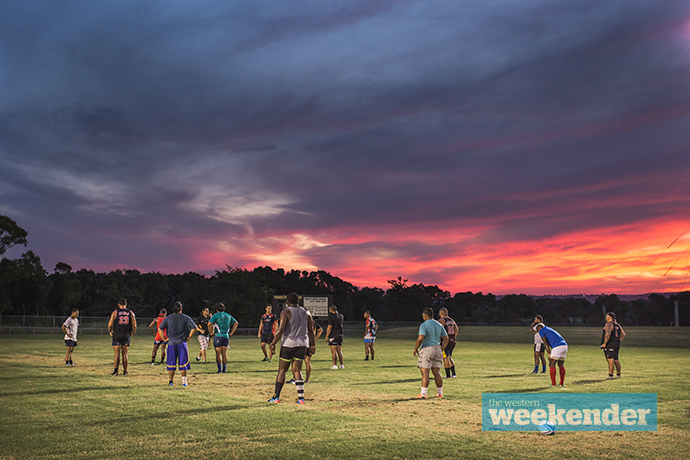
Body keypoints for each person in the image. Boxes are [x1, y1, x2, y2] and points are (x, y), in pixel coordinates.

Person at [268, 292, 316, 404]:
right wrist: (312, 344)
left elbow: (281, 329)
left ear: (288, 302)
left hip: (288, 344)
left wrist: (273, 343)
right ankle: (301, 398)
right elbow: (310, 330)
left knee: (282, 370)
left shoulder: (286, 312)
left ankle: (276, 397)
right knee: (297, 370)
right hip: (302, 344)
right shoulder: (306, 313)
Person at [158, 301, 197, 387]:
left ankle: (171, 382)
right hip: (182, 343)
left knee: (171, 363)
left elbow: (160, 329)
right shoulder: (186, 318)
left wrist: (164, 338)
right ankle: (184, 382)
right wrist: (189, 337)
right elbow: (194, 327)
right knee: (183, 363)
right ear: (181, 309)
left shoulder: (168, 318)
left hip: (171, 343)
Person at [413, 307, 449, 399]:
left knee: (425, 373)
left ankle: (423, 394)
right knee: (436, 372)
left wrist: (415, 348)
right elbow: (446, 338)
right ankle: (439, 393)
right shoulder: (438, 324)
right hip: (437, 348)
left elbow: (421, 338)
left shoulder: (424, 325)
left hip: (427, 349)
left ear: (424, 315)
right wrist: (441, 348)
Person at [289, 311, 323, 384]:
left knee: (296, 360)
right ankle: (307, 379)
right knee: (308, 362)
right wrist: (314, 339)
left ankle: (295, 378)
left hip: (303, 342)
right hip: (310, 343)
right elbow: (320, 330)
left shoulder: (303, 322)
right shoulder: (313, 322)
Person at [108, 298, 137, 376]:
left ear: (118, 304)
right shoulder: (131, 313)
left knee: (117, 354)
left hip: (117, 335)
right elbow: (134, 325)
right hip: (126, 335)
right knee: (125, 354)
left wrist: (110, 331)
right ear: (126, 304)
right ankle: (125, 371)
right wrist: (133, 332)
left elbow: (110, 324)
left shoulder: (115, 312)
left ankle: (116, 371)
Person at [208, 302, 238, 373]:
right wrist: (231, 333)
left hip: (218, 336)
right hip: (226, 336)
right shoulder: (228, 315)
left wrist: (211, 333)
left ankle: (219, 370)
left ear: (216, 309)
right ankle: (224, 370)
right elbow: (236, 323)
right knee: (224, 354)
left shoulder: (216, 315)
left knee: (218, 354)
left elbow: (209, 324)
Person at [535, 323, 568, 387]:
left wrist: (549, 353)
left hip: (557, 346)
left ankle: (553, 384)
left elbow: (545, 342)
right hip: (564, 345)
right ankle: (561, 383)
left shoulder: (541, 330)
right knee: (561, 364)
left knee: (551, 364)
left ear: (538, 329)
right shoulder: (548, 329)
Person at [601, 312, 626, 379]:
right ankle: (618, 374)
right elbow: (623, 334)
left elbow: (607, 334)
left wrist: (604, 344)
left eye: (607, 316)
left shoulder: (609, 324)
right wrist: (617, 340)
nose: (606, 317)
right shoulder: (618, 325)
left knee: (610, 360)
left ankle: (610, 375)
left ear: (610, 317)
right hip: (616, 344)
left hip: (610, 344)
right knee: (616, 359)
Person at [438, 308, 458, 378]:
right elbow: (456, 329)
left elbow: (437, 330)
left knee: (445, 358)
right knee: (449, 357)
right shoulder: (452, 320)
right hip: (452, 341)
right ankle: (454, 373)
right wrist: (453, 337)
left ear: (441, 313)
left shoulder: (441, 320)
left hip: (445, 341)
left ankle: (448, 375)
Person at [326, 305, 344, 369]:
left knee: (334, 351)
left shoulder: (331, 317)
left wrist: (326, 336)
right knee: (339, 351)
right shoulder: (341, 316)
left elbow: (330, 327)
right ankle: (342, 365)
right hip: (340, 335)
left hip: (333, 335)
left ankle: (335, 365)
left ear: (332, 310)